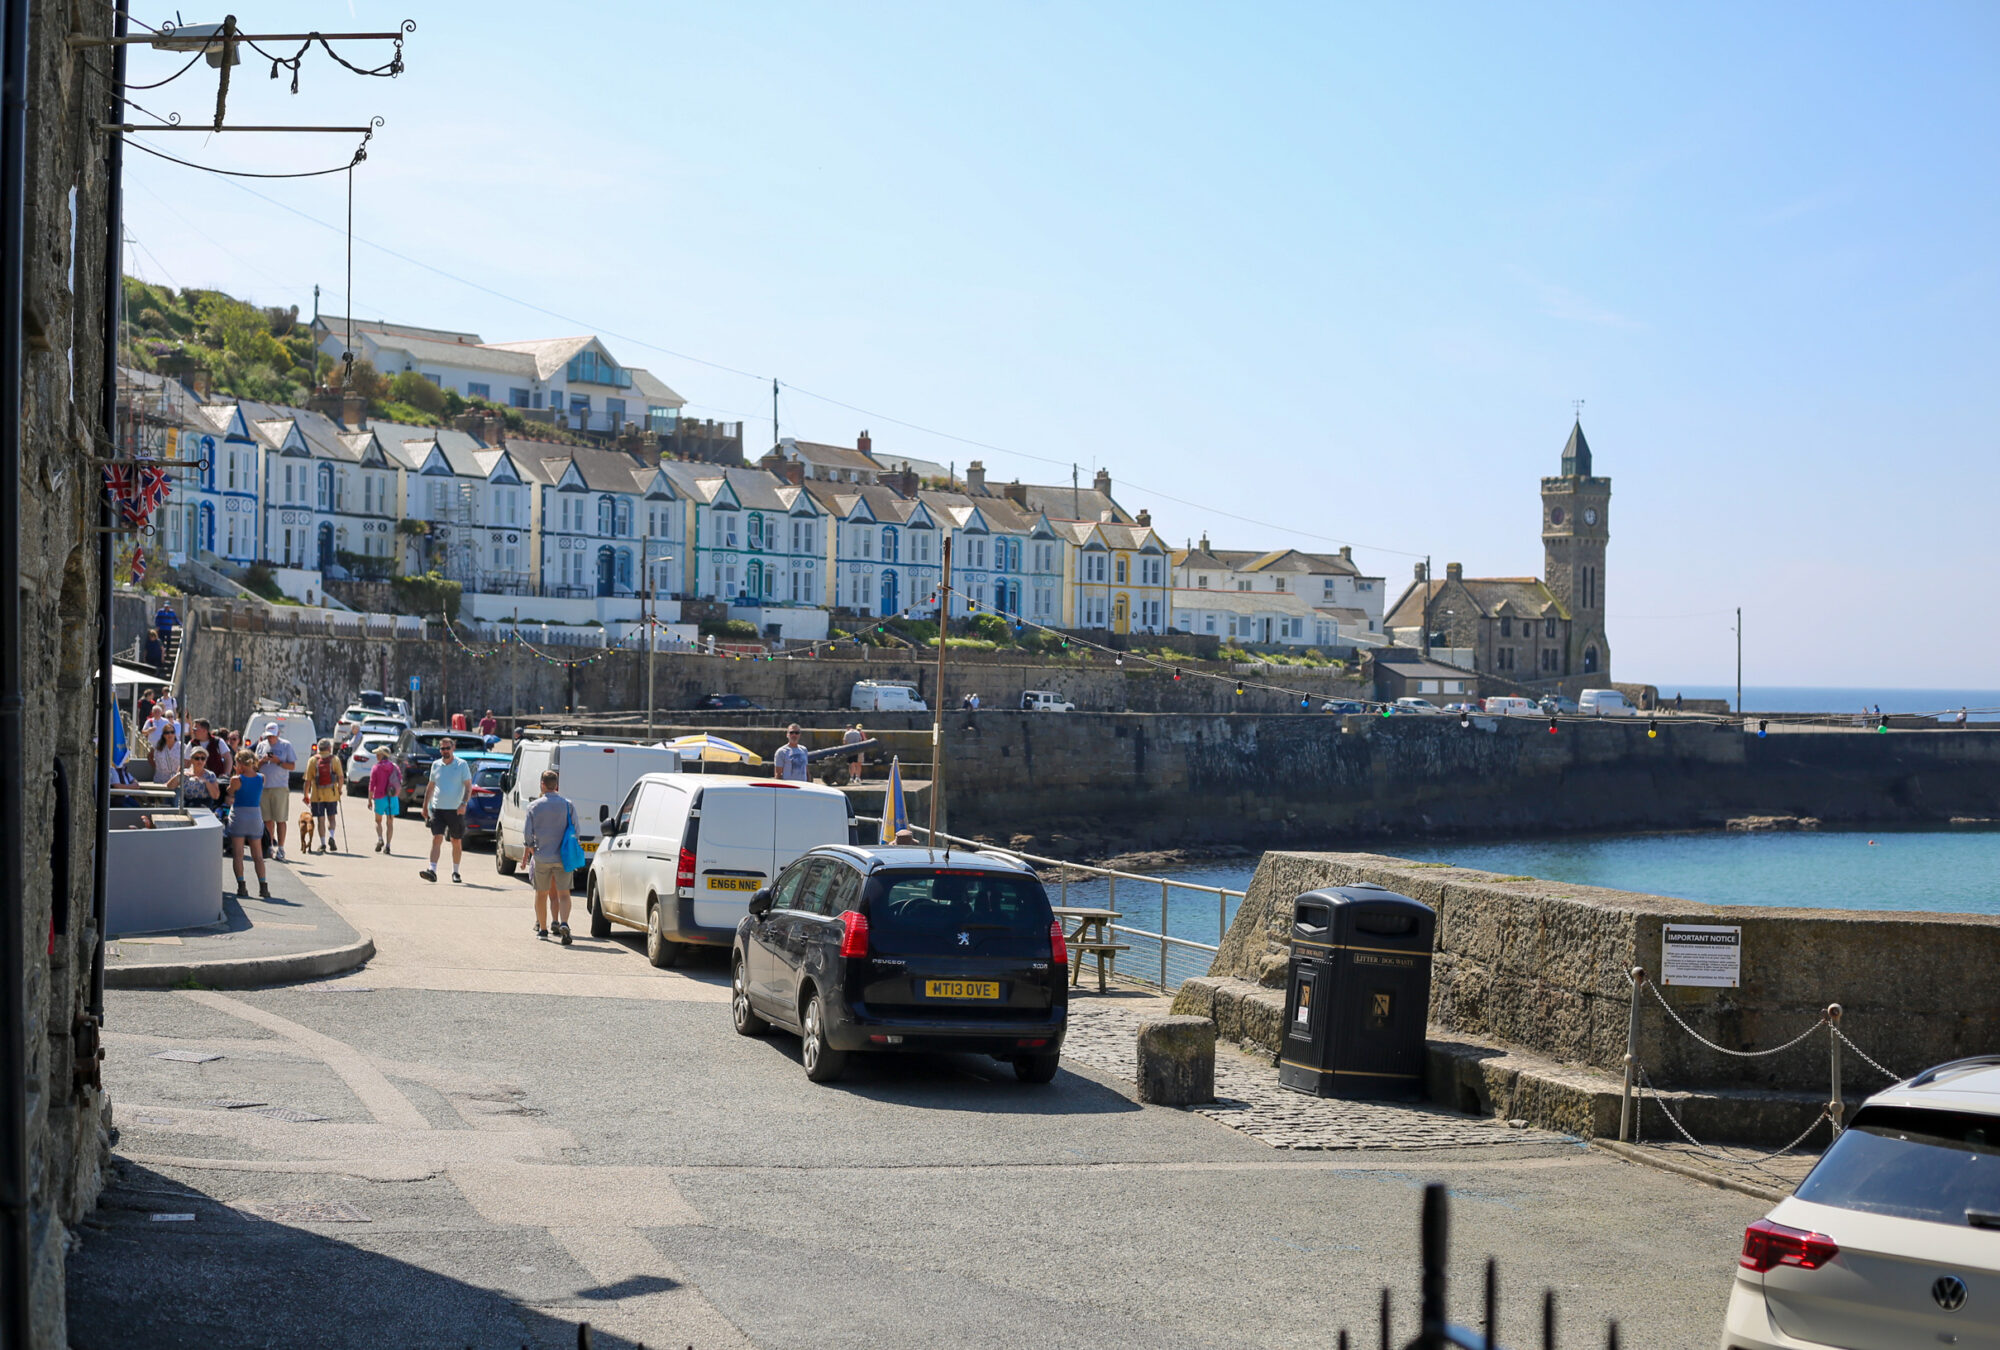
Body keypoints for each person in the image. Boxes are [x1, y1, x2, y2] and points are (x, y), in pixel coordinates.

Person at [519, 769, 578, 944]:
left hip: (542, 856)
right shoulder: (568, 805)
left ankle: (543, 930)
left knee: (541, 894)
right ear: (556, 785)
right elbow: (577, 830)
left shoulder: (534, 806)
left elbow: (527, 834)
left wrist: (530, 848)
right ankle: (564, 922)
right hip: (563, 856)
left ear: (542, 784)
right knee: (564, 894)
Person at [420, 737, 473, 883]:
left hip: (455, 810)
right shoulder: (436, 765)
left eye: (447, 748)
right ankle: (432, 870)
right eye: (442, 749)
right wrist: (425, 806)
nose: (445, 751)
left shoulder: (461, 765)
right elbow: (430, 787)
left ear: (453, 748)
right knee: (437, 837)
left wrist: (464, 803)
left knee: (456, 840)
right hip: (438, 808)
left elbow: (469, 787)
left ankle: (456, 872)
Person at [223, 749, 271, 899]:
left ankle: (241, 886)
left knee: (238, 854)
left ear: (239, 763)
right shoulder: (261, 777)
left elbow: (230, 793)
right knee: (258, 854)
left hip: (239, 816)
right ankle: (263, 887)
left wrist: (235, 775)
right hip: (255, 816)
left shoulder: (236, 779)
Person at [257, 725, 298, 860]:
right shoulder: (262, 745)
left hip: (279, 787)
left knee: (280, 819)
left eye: (273, 735)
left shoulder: (286, 745)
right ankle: (269, 846)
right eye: (268, 735)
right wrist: (262, 761)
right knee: (267, 819)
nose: (270, 738)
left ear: (278, 734)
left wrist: (278, 762)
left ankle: (281, 848)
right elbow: (254, 766)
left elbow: (292, 766)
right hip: (264, 787)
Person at [303, 739, 343, 853]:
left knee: (321, 820)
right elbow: (340, 777)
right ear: (329, 748)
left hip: (317, 795)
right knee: (332, 817)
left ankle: (323, 843)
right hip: (332, 794)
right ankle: (331, 836)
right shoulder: (334, 759)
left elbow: (307, 780)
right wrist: (339, 789)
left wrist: (306, 794)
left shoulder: (312, 760)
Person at [368, 749, 403, 853]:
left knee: (378, 821)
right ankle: (388, 845)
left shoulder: (376, 768)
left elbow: (371, 785)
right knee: (390, 822)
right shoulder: (395, 767)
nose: (376, 756)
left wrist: (369, 799)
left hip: (379, 797)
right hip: (392, 797)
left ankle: (380, 839)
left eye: (378, 754)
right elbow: (400, 780)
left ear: (382, 755)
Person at [166, 748, 221, 812]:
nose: (200, 761)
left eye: (203, 758)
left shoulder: (210, 775)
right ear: (191, 760)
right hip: (186, 805)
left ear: (205, 761)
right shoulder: (185, 773)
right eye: (197, 758)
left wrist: (206, 782)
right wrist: (178, 775)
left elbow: (216, 796)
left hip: (203, 807)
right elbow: (169, 786)